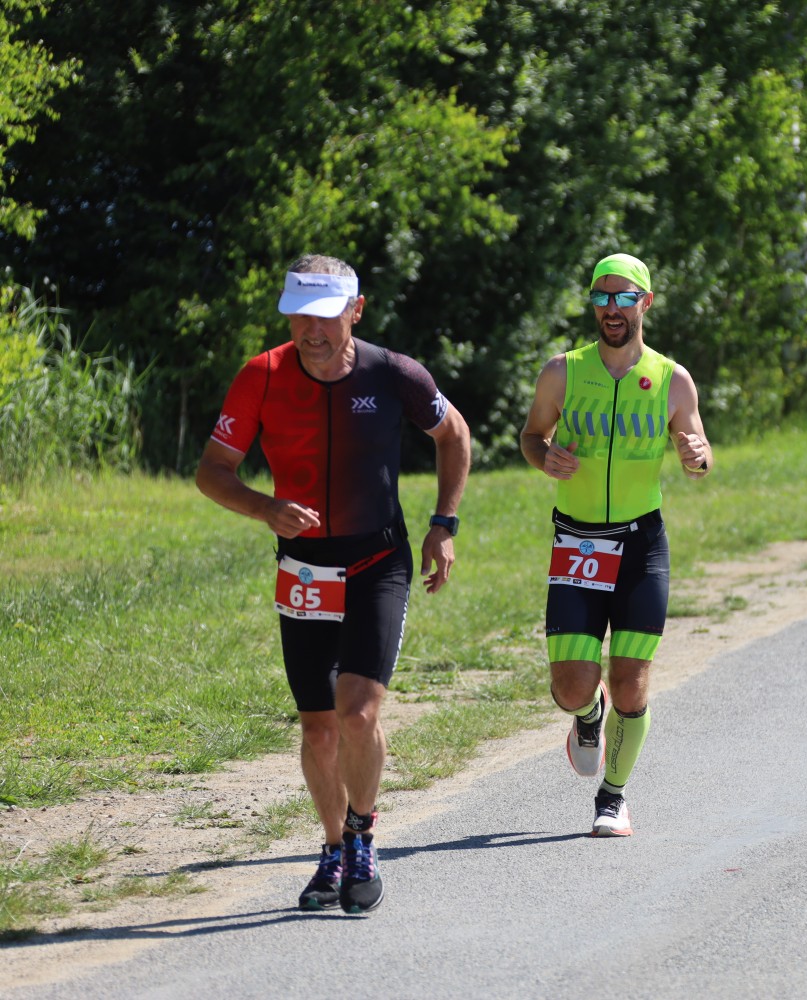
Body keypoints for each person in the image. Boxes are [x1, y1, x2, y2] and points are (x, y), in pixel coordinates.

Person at [196, 254, 471, 913]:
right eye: (298, 314)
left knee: (359, 713)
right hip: (305, 569)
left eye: (323, 316)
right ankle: (331, 848)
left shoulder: (393, 373)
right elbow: (213, 471)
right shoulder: (262, 376)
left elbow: (455, 435)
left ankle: (363, 835)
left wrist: (443, 524)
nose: (310, 330)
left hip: (377, 562)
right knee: (319, 729)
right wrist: (264, 508)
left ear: (356, 310)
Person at [519, 252, 712, 837]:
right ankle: (587, 714)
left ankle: (613, 797)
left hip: (640, 546)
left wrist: (697, 456)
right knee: (570, 686)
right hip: (578, 541)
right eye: (601, 296)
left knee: (631, 681)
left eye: (624, 297)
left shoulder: (672, 379)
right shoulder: (563, 372)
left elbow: (698, 448)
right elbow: (532, 435)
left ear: (644, 303)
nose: (611, 308)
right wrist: (543, 456)